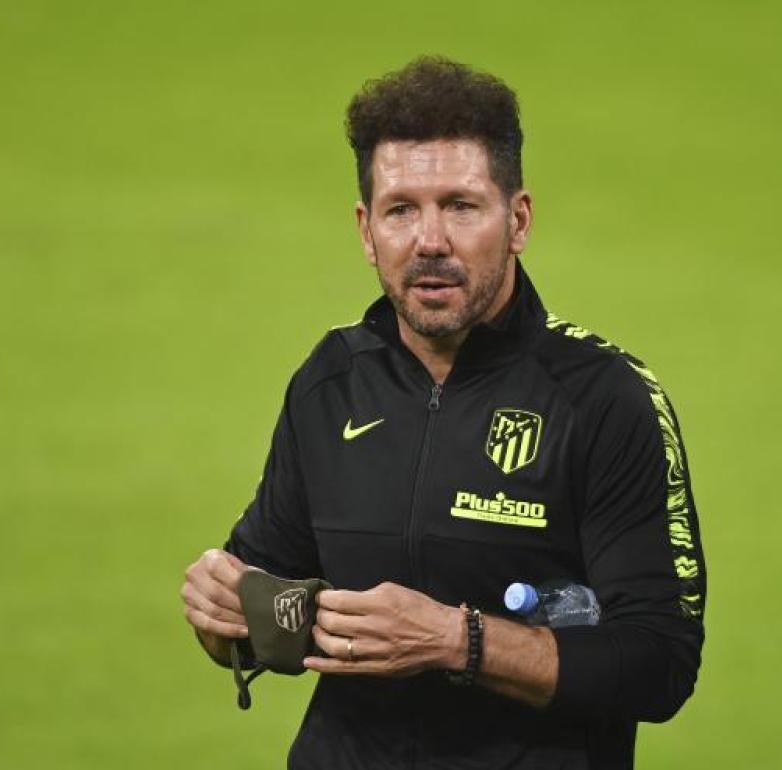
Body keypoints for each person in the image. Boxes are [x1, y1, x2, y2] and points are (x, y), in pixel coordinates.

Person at [179, 56, 706, 770]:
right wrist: (222, 614)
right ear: (367, 231)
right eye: (402, 210)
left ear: (517, 220)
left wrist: (457, 641)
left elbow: (658, 664)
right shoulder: (331, 383)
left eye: (460, 205)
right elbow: (263, 607)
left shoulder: (603, 399)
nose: (430, 241)